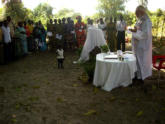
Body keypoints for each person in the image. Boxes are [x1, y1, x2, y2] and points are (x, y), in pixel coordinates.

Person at [129, 5, 152, 81]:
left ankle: (142, 77)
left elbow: (146, 34)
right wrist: (134, 29)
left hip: (143, 45)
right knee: (137, 60)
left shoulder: (146, 21)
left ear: (141, 12)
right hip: (137, 44)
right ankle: (138, 76)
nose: (136, 15)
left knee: (142, 61)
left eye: (137, 13)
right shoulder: (140, 19)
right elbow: (138, 28)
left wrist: (136, 31)